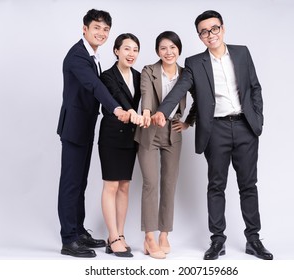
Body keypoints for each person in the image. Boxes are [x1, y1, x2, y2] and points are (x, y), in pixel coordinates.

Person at [151, 10, 273, 260]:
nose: (210, 34)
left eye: (214, 28)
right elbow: (179, 89)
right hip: (215, 130)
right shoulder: (196, 63)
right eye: (204, 31)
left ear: (223, 29)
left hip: (245, 128)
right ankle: (217, 240)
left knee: (248, 185)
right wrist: (163, 111)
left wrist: (257, 119)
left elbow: (255, 87)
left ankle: (254, 239)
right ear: (200, 36)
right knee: (216, 186)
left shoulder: (242, 53)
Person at [56, 9, 130, 258]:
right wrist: (116, 108)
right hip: (74, 127)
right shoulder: (78, 55)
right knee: (71, 183)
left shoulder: (93, 56)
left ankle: (78, 231)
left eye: (106, 29)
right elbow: (94, 85)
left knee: (81, 182)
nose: (101, 33)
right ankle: (69, 239)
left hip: (85, 127)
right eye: (96, 28)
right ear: (84, 29)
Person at [135, 31, 195, 259]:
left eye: (172, 47)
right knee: (150, 183)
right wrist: (149, 113)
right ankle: (149, 236)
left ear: (179, 49)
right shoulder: (149, 71)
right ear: (157, 51)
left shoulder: (186, 74)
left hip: (173, 132)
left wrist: (189, 121)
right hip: (150, 129)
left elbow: (200, 98)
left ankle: (164, 233)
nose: (168, 52)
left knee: (169, 183)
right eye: (163, 48)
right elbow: (146, 96)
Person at [98, 33, 143, 258]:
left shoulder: (138, 76)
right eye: (127, 49)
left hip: (130, 137)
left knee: (124, 186)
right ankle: (113, 236)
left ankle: (120, 235)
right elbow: (116, 97)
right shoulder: (107, 76)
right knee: (111, 186)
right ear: (116, 51)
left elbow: (147, 99)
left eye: (135, 49)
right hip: (111, 136)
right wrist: (131, 111)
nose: (131, 54)